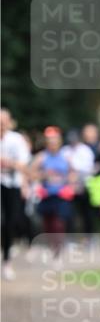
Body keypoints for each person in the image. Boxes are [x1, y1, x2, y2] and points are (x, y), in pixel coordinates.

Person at [30, 126, 76, 255]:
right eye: (50, 143)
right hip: (46, 195)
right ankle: (52, 246)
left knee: (58, 222)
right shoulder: (41, 157)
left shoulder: (66, 157)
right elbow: (31, 173)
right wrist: (43, 176)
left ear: (59, 142)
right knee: (48, 224)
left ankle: (58, 248)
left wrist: (70, 184)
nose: (53, 145)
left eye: (55, 142)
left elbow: (73, 174)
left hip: (61, 195)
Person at [1, 108, 31, 280]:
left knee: (10, 222)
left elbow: (23, 165)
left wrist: (9, 163)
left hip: (12, 185)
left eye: (4, 121)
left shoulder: (17, 140)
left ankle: (7, 260)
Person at [62, 128, 96, 238]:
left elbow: (88, 168)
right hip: (69, 186)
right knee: (69, 214)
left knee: (86, 214)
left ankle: (89, 238)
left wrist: (73, 166)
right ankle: (69, 238)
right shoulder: (65, 150)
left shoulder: (85, 150)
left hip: (84, 186)